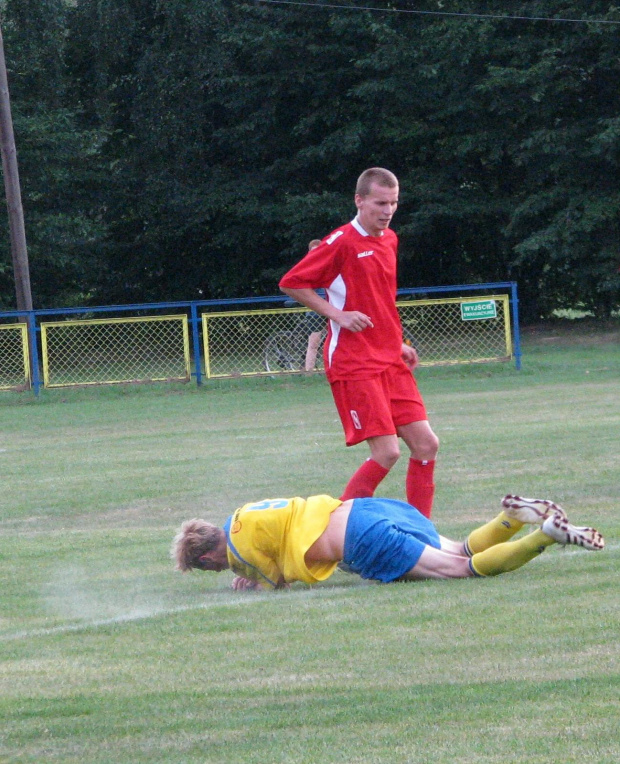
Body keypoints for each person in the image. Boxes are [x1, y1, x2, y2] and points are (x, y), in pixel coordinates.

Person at [279, 168, 439, 517]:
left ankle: (421, 534)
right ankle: (336, 532)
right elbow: (291, 283)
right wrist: (338, 314)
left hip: (388, 358)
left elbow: (380, 299)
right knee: (387, 452)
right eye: (380, 202)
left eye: (394, 203)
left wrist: (396, 342)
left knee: (426, 444)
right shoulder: (342, 242)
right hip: (354, 362)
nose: (388, 210)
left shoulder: (389, 239)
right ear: (359, 200)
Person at [172, 494, 604, 591]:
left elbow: (276, 583)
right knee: (457, 550)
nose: (218, 568)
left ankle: (545, 535)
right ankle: (509, 518)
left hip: (361, 537)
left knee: (460, 570)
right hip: (368, 509)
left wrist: (252, 583)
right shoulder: (243, 514)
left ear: (210, 555)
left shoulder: (238, 552)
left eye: (208, 566)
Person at [302, 239, 325, 372]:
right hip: (315, 308)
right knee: (314, 343)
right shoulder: (307, 267)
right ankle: (309, 373)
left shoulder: (329, 264)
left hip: (331, 306)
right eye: (313, 251)